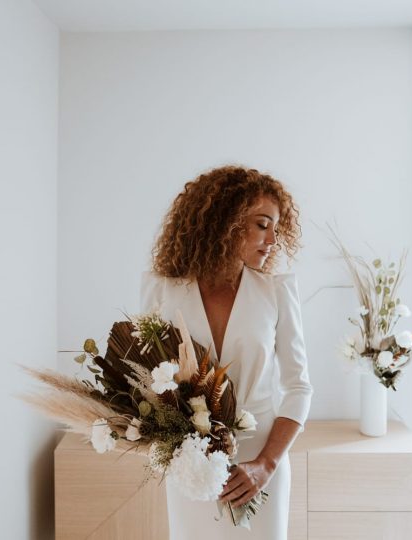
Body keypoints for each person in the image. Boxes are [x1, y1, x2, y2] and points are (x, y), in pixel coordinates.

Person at [140, 165, 313, 539]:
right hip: (189, 463)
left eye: (276, 228)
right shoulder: (164, 290)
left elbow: (299, 388)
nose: (272, 239)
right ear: (227, 221)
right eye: (262, 224)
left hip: (259, 463)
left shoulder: (277, 291)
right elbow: (146, 378)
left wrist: (265, 465)